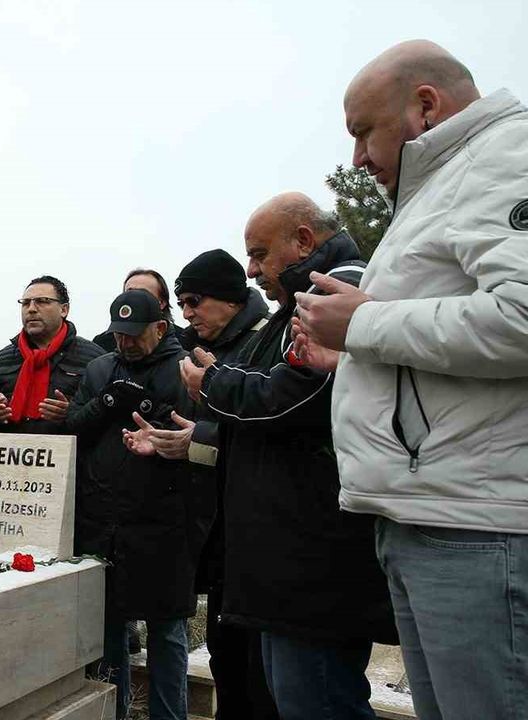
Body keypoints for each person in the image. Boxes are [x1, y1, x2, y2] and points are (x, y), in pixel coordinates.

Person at [294, 40, 528, 720]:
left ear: (425, 106)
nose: (357, 159)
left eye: (364, 131)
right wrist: (355, 357)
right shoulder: (446, 182)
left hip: (475, 525)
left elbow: (520, 316)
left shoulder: (503, 157)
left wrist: (363, 325)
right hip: (435, 514)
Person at [184, 193, 394, 720]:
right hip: (286, 563)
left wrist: (211, 384)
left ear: (303, 241)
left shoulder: (333, 293)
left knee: (318, 700)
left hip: (312, 558)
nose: (251, 271)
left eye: (259, 254)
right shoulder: (296, 304)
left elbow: (289, 398)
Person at [128, 250, 277, 719]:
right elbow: (199, 428)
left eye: (194, 301)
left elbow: (271, 425)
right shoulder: (193, 349)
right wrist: (174, 441)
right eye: (182, 303)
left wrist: (199, 439)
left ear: (230, 299)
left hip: (267, 539)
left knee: (264, 679)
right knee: (227, 662)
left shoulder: (269, 341)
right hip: (219, 537)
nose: (187, 313)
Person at [68, 289, 210, 720]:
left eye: (134, 334)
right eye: (118, 334)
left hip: (164, 525)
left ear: (160, 328)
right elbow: (73, 428)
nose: (124, 342)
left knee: (166, 632)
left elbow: (200, 438)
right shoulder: (100, 368)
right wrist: (106, 401)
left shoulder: (183, 369)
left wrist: (153, 412)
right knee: (109, 631)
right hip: (105, 523)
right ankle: (115, 711)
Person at [0, 275, 103, 434]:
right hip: (12, 448)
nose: (31, 309)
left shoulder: (93, 358)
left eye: (42, 301)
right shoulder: (4, 358)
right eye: (25, 303)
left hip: (72, 448)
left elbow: (106, 415)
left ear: (64, 310)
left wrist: (73, 413)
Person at [93, 268, 183, 351]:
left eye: (143, 293)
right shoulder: (103, 343)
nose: (135, 298)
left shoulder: (183, 340)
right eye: (130, 292)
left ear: (162, 303)